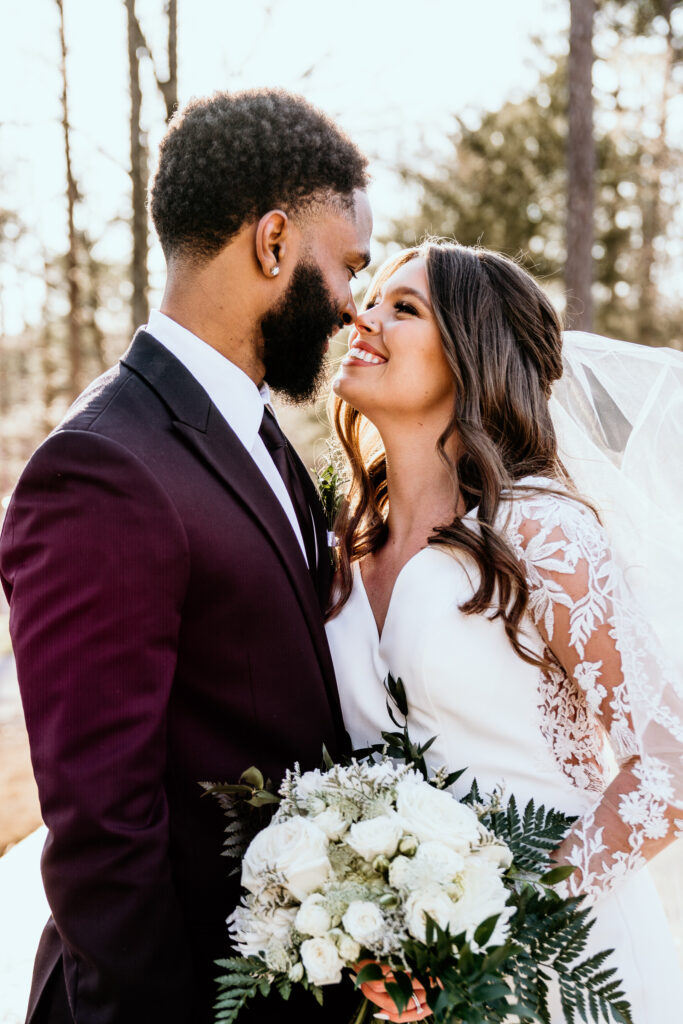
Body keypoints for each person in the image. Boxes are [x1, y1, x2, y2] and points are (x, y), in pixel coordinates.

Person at [0, 88, 372, 1024]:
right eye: (347, 268)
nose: (351, 307)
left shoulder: (257, 430)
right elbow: (101, 830)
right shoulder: (104, 468)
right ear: (274, 243)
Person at [325, 240, 683, 1021]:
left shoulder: (538, 535)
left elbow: (667, 762)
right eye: (371, 298)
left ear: (469, 355)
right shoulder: (337, 548)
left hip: (558, 962)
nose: (364, 315)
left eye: (403, 307)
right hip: (401, 979)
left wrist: (511, 924)